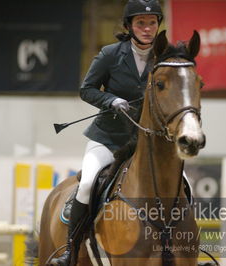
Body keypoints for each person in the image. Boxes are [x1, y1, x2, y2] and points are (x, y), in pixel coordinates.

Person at [50, 0, 163, 265]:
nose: (147, 29)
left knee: (183, 184)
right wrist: (110, 100)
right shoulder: (111, 54)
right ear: (129, 26)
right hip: (109, 139)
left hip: (147, 144)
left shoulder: (163, 56)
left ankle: (184, 252)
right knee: (88, 182)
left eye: (152, 23)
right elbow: (86, 89)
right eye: (141, 23)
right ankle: (70, 250)